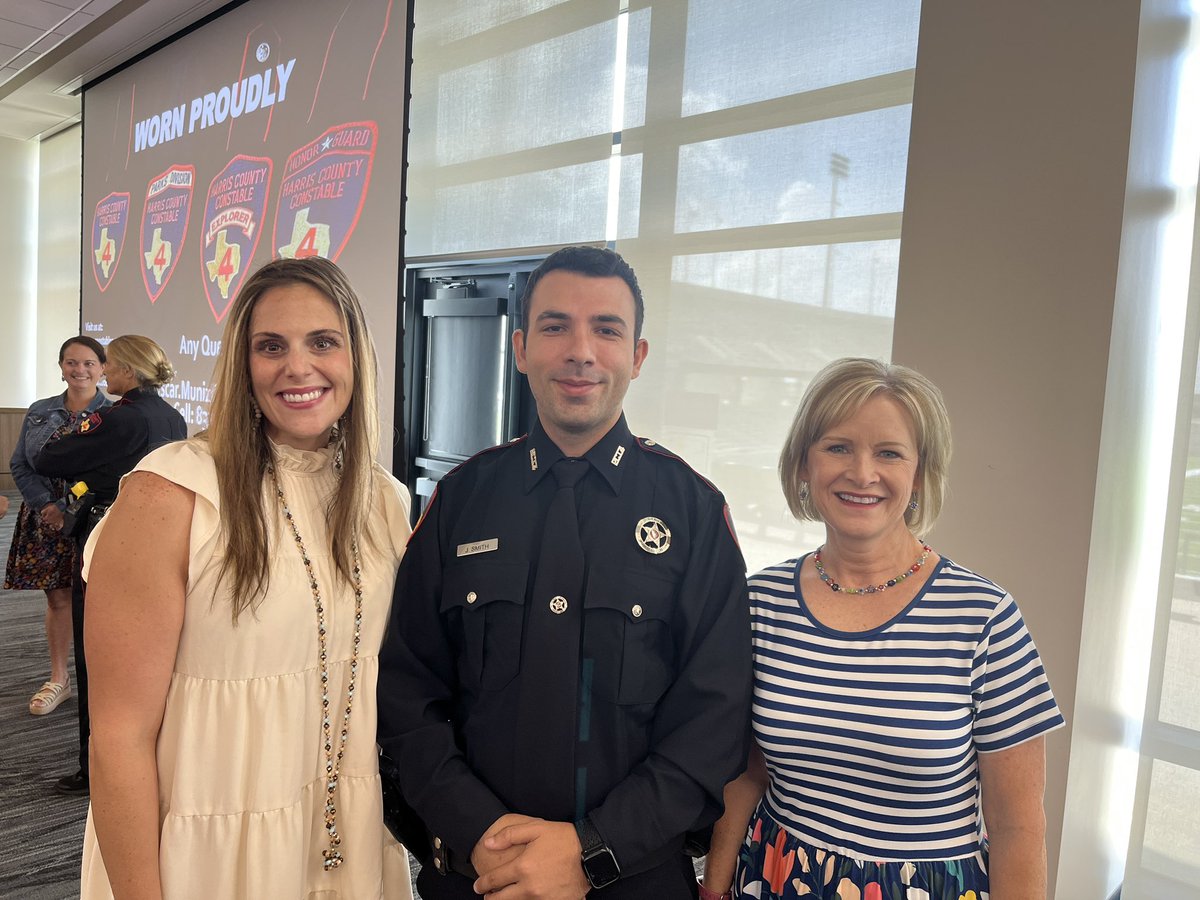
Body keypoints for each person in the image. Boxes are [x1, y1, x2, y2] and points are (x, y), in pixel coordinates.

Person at [378, 246, 753, 900]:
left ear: (637, 357)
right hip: (478, 878)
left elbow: (713, 727)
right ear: (521, 347)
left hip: (632, 882)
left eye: (606, 329)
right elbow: (408, 696)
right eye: (556, 327)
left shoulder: (692, 513)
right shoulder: (460, 501)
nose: (581, 350)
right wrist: (487, 837)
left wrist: (590, 853)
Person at [74, 257, 414, 899]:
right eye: (270, 346)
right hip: (206, 852)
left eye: (323, 342)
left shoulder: (382, 502)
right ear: (241, 363)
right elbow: (119, 737)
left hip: (346, 836)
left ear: (355, 357)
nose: (298, 367)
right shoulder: (171, 493)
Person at [701, 358, 1065, 900]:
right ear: (804, 464)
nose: (862, 473)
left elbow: (1018, 830)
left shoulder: (984, 617)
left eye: (889, 452)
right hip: (775, 878)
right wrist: (712, 887)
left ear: (919, 474)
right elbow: (747, 774)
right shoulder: (760, 601)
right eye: (838, 447)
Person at [34, 333, 187, 795]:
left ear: (127, 370)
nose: (104, 371)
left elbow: (49, 457)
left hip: (107, 541)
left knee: (96, 656)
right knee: (152, 658)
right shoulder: (172, 417)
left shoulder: (119, 419)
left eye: (110, 364)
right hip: (160, 545)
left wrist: (88, 472)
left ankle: (94, 766)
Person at [5, 336, 110, 719]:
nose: (78, 370)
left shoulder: (115, 413)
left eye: (87, 363)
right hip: (44, 517)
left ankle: (101, 680)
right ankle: (59, 678)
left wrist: (70, 509)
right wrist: (47, 506)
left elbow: (110, 473)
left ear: (103, 368)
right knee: (58, 598)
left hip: (92, 517)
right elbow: (20, 465)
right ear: (61, 366)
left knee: (98, 602)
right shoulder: (39, 411)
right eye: (71, 363)